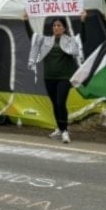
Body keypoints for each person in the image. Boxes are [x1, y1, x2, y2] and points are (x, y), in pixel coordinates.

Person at [27, 12, 87, 144]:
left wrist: (82, 22)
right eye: (54, 25)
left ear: (64, 28)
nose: (56, 27)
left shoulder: (70, 41)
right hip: (49, 77)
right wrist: (26, 21)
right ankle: (59, 129)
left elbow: (82, 40)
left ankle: (65, 131)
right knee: (55, 103)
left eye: (59, 25)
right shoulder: (46, 41)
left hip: (64, 78)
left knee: (60, 102)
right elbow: (32, 38)